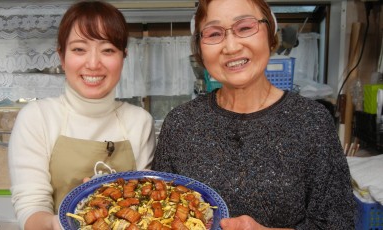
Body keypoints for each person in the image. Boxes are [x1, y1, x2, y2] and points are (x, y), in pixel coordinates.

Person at [152, 0, 356, 229]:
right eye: (214, 33)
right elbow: (160, 214)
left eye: (245, 28)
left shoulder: (312, 121)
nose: (231, 47)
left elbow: (338, 223)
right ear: (200, 49)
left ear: (270, 35)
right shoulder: (180, 123)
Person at [8, 1, 156, 229]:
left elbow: (145, 201)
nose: (94, 63)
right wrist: (75, 221)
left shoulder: (139, 121)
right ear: (61, 56)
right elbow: (31, 208)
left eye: (108, 50)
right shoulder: (37, 118)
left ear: (123, 57)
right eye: (79, 49)